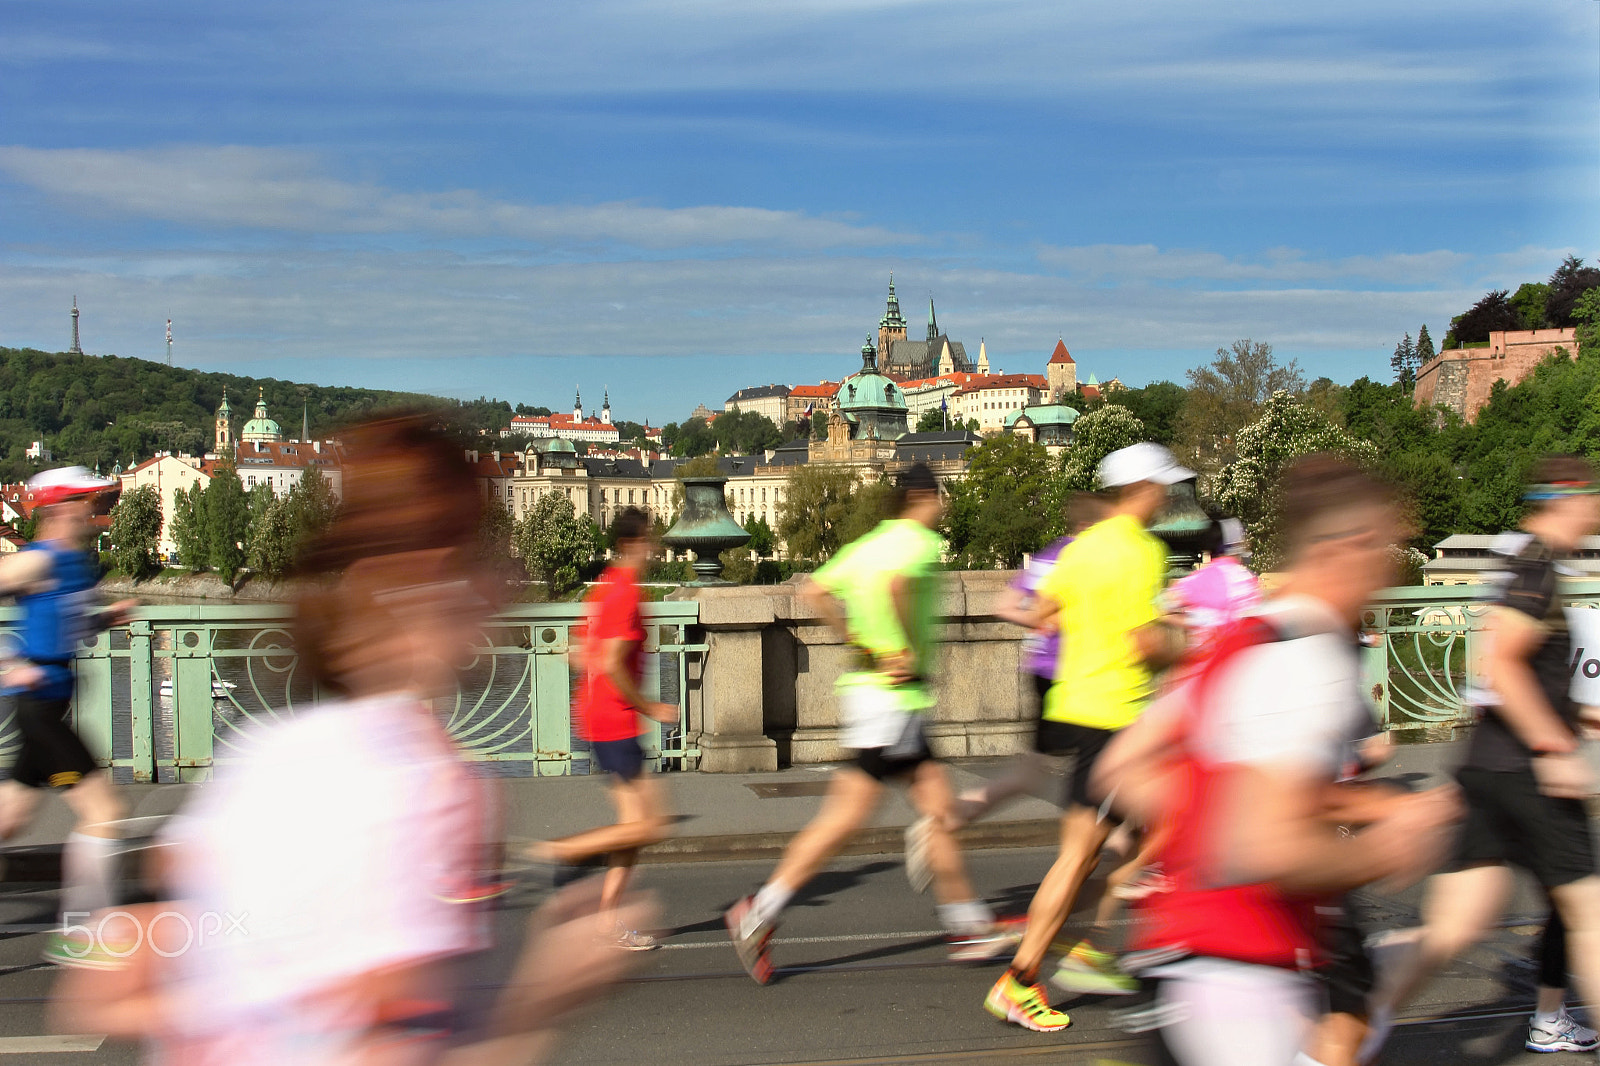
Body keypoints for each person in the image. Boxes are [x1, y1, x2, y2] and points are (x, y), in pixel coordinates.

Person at [51, 416, 653, 1065]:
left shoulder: (265, 750)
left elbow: (105, 973)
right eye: (486, 553)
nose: (503, 580)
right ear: (440, 578)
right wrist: (543, 1000)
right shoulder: (426, 786)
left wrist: (253, 1003)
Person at [1089, 454, 1461, 1066]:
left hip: (1178, 967)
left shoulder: (1240, 638)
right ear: (1354, 546)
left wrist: (1215, 817)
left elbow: (1123, 769)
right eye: (1390, 553)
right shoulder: (1310, 656)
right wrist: (1388, 846)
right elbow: (1264, 848)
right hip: (1244, 986)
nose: (1391, 576)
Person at [725, 463, 1012, 983]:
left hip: (871, 696)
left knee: (930, 810)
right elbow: (901, 586)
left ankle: (965, 923)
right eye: (940, 496)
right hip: (893, 700)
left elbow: (813, 591)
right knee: (853, 820)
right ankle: (758, 913)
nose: (943, 505)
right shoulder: (917, 542)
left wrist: (858, 638)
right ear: (922, 498)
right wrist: (898, 648)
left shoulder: (869, 544)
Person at [1361, 454, 1600, 1061]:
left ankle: (1350, 1023)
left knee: (1453, 929)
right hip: (1528, 776)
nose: (1595, 511)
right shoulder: (1538, 568)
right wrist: (1555, 746)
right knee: (1590, 917)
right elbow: (1502, 663)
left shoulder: (1520, 563)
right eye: (1589, 499)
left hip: (1488, 769)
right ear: (1564, 500)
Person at [984, 443, 1190, 1032]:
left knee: (1084, 854)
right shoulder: (1142, 551)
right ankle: (1035, 972)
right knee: (1169, 828)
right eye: (1162, 487)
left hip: (1074, 705)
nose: (1166, 497)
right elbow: (1146, 645)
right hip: (1114, 720)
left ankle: (1066, 956)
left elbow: (1044, 612)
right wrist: (1191, 645)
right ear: (1143, 490)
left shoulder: (1082, 547)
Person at [914, 492, 1111, 881]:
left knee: (1031, 776)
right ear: (1093, 527)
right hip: (1072, 676)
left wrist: (1038, 623)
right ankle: (1103, 865)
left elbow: (1005, 606)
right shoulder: (1086, 559)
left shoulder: (1048, 555)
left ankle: (946, 820)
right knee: (1104, 772)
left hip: (1040, 671)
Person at [0, 466, 135, 966]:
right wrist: (9, 662)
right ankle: (83, 934)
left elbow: (66, 625)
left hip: (51, 703)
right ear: (60, 509)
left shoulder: (77, 563)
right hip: (40, 711)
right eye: (90, 503)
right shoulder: (36, 563)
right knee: (105, 812)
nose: (99, 512)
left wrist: (105, 618)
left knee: (8, 820)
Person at [525, 507, 675, 950]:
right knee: (651, 825)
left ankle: (608, 922)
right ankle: (562, 853)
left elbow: (577, 652)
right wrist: (649, 706)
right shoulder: (625, 592)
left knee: (635, 825)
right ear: (634, 544)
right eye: (649, 540)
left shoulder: (604, 587)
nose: (654, 548)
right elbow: (611, 663)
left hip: (595, 714)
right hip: (614, 720)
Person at [1165, 517, 1260, 648]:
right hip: (1243, 657)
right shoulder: (1249, 580)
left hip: (1209, 658)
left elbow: (1160, 607)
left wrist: (1196, 620)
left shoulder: (1198, 580)